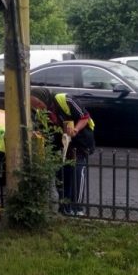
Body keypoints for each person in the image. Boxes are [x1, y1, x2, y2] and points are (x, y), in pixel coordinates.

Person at [30, 88, 95, 216]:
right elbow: (46, 132)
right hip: (62, 145)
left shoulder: (65, 100)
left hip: (80, 142)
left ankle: (77, 209)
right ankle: (65, 207)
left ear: (43, 98)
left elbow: (84, 117)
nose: (38, 107)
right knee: (62, 174)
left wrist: (75, 130)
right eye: (34, 106)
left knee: (77, 172)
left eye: (38, 103)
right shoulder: (42, 113)